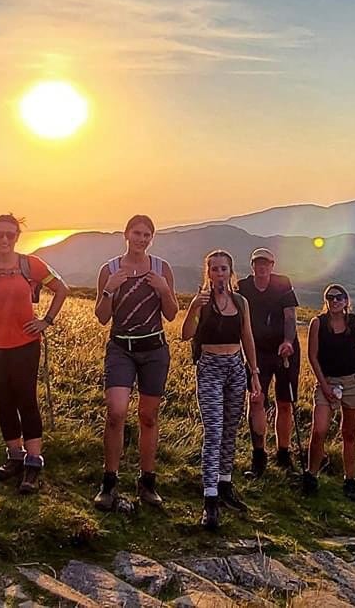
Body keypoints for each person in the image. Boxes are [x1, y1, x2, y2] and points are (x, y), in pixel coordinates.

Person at [0, 214, 69, 494]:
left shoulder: (30, 264)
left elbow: (62, 289)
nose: (5, 239)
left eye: (10, 234)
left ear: (17, 237)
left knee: (26, 400)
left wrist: (46, 321)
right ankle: (14, 458)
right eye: (0, 234)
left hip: (25, 344)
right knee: (5, 401)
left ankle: (33, 463)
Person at [93, 214, 179, 511]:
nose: (141, 239)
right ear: (126, 234)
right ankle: (109, 482)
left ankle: (147, 482)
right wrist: (109, 290)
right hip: (121, 348)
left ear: (151, 239)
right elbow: (102, 317)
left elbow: (171, 314)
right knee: (116, 413)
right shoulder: (110, 269)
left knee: (148, 417)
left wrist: (164, 290)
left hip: (154, 349)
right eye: (137, 233)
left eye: (147, 235)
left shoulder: (161, 268)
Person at [182, 250, 264, 530]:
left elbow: (248, 337)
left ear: (231, 272)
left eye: (224, 269)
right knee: (214, 430)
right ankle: (210, 499)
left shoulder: (240, 302)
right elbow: (185, 334)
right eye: (215, 269)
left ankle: (225, 483)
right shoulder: (202, 302)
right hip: (210, 366)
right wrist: (193, 307)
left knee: (230, 428)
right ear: (208, 273)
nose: (219, 274)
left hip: (235, 366)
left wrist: (253, 373)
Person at [237, 246, 299, 478]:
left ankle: (284, 454)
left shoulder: (283, 283)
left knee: (285, 403)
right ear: (252, 265)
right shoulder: (243, 287)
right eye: (257, 263)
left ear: (272, 266)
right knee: (256, 400)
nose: (261, 267)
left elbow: (290, 315)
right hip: (256, 352)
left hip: (285, 351)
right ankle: (259, 455)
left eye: (266, 264)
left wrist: (288, 341)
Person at [301, 283, 355, 500]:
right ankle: (311, 475)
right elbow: (312, 356)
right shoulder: (317, 323)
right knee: (319, 430)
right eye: (330, 297)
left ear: (346, 301)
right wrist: (325, 386)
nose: (335, 301)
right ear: (326, 301)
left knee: (349, 432)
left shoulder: (354, 322)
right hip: (327, 380)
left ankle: (350, 480)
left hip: (352, 382)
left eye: (339, 297)